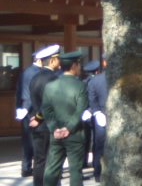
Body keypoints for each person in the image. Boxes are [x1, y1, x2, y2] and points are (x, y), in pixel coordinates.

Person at [42, 50, 88, 186]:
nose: (80, 68)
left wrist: (54, 128)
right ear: (74, 66)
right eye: (79, 65)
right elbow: (80, 110)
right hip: (75, 134)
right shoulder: (80, 85)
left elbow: (46, 109)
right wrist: (69, 128)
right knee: (75, 171)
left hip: (56, 134)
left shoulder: (50, 86)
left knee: (52, 169)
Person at [28, 44, 61, 186]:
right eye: (58, 59)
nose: (60, 62)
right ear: (52, 61)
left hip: (37, 126)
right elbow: (48, 103)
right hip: (48, 125)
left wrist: (35, 117)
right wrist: (38, 117)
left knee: (40, 160)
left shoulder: (35, 78)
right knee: (52, 161)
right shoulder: (53, 78)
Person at [15, 48, 43, 177]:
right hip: (34, 109)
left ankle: (26, 167)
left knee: (27, 140)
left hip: (24, 109)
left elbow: (18, 90)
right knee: (37, 141)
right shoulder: (38, 73)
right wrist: (27, 107)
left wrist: (19, 107)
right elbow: (34, 92)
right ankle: (37, 168)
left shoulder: (26, 71)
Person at [86, 58, 107, 182]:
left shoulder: (94, 81)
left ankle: (98, 173)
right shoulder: (119, 79)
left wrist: (97, 111)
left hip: (101, 116)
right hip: (114, 116)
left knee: (99, 146)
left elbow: (92, 99)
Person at [81, 60, 101, 169]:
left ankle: (84, 161)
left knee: (85, 139)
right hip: (95, 112)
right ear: (97, 71)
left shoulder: (83, 82)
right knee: (95, 140)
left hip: (85, 113)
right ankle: (95, 162)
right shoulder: (96, 82)